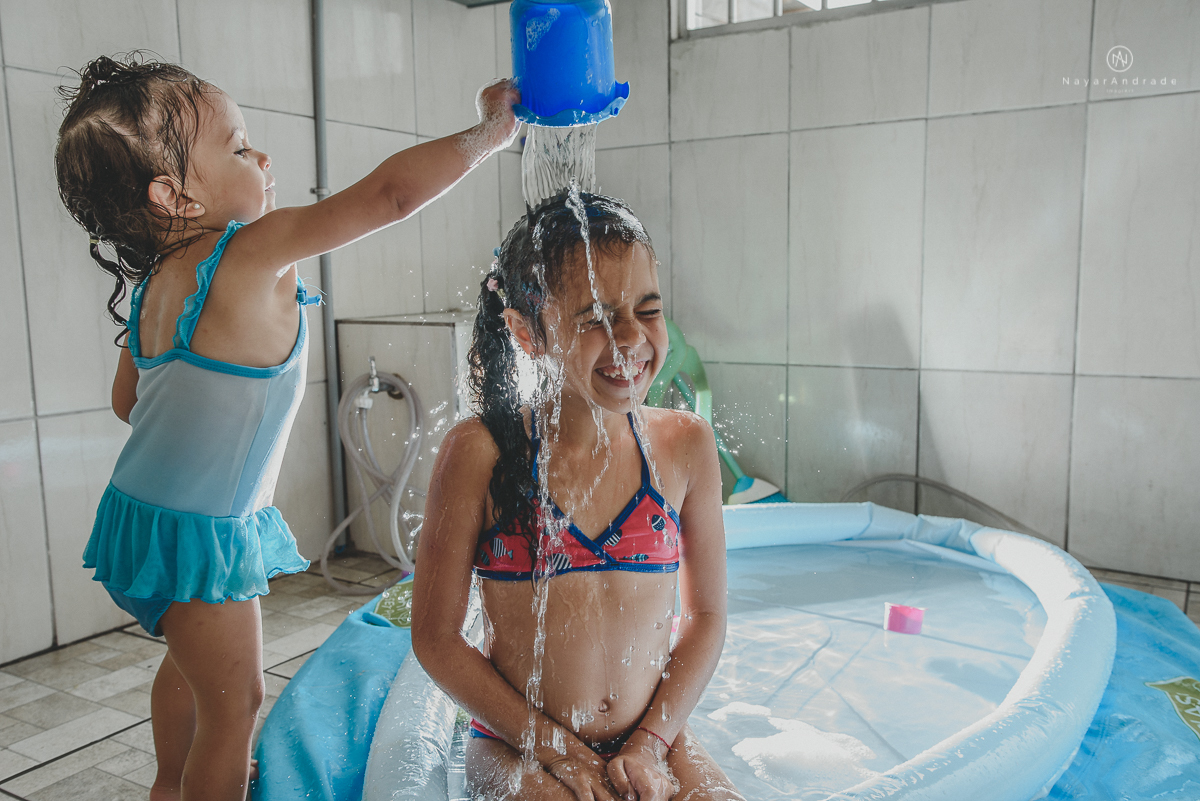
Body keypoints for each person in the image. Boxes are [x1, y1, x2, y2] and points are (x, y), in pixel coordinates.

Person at [54, 53, 519, 801]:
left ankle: (171, 783)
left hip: (144, 516)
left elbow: (127, 400)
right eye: (238, 147)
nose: (262, 156)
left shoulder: (152, 286)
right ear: (173, 194)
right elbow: (391, 197)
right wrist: (490, 133)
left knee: (189, 664)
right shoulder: (249, 254)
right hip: (204, 528)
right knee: (234, 707)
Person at [411, 193, 744, 801]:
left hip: (652, 737)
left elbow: (707, 619)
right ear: (525, 332)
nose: (630, 339)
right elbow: (435, 638)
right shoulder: (480, 453)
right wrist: (556, 750)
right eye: (595, 318)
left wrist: (649, 745)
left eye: (648, 309)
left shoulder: (683, 446)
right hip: (516, 743)